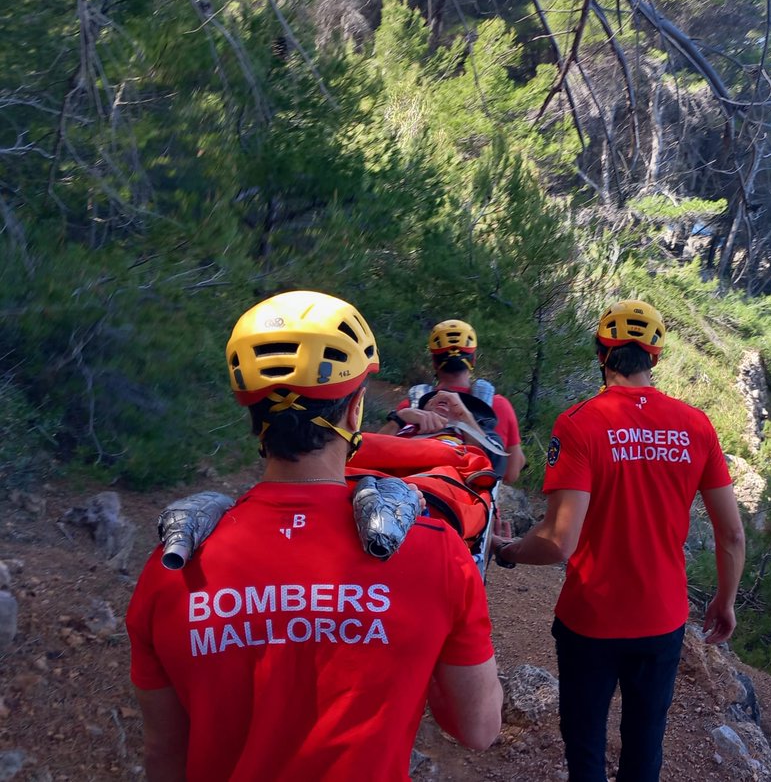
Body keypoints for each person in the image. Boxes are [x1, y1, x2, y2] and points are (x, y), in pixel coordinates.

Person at [126, 290, 502, 781]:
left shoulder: (171, 567)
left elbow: (165, 755)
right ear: (355, 410)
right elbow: (477, 728)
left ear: (253, 418)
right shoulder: (436, 552)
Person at [491, 299, 746, 782]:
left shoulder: (579, 423)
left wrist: (507, 551)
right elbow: (731, 533)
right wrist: (726, 599)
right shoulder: (696, 425)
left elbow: (558, 541)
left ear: (601, 354)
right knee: (645, 745)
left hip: (591, 619)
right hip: (662, 619)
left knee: (585, 743)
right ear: (655, 357)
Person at [379, 319, 526, 484]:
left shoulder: (412, 406)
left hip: (410, 489)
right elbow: (510, 474)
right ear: (473, 360)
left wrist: (399, 418)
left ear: (434, 363)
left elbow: (373, 451)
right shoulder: (498, 405)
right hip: (467, 493)